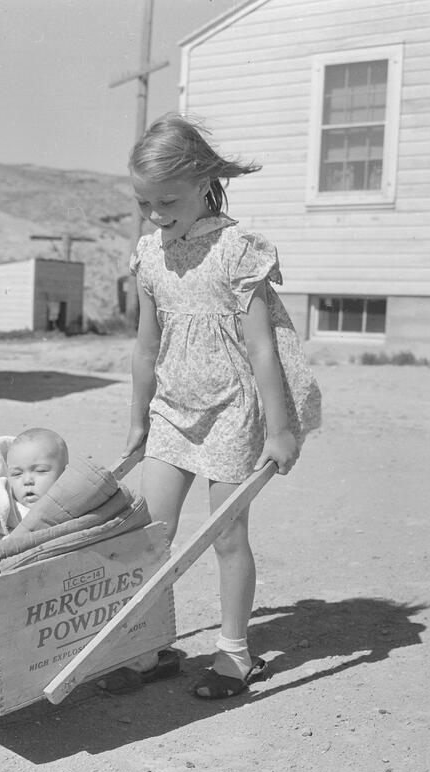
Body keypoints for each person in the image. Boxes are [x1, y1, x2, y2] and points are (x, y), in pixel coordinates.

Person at [124, 113, 321, 699]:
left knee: (225, 536)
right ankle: (152, 645)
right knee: (150, 535)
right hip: (172, 412)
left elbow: (263, 349)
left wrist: (279, 430)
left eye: (168, 200)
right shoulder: (149, 255)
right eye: (145, 202)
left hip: (233, 412)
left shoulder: (237, 250)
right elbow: (145, 345)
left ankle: (235, 654)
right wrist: (138, 417)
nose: (157, 214)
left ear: (204, 181)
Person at [5, 427, 69, 524]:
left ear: (64, 474)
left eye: (40, 470)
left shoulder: (75, 507)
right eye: (17, 474)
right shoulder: (4, 513)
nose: (27, 481)